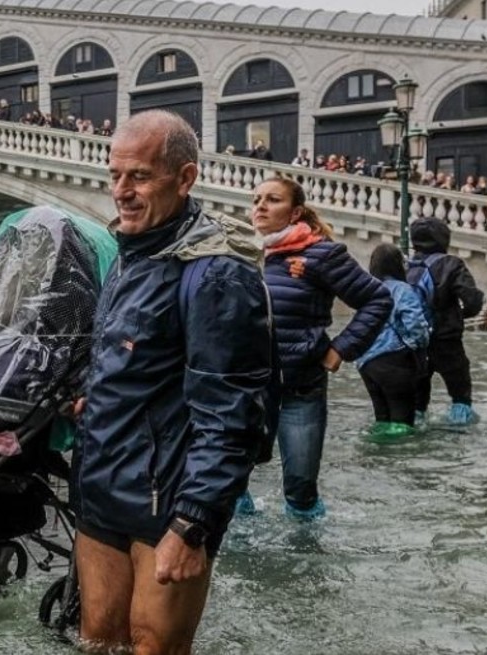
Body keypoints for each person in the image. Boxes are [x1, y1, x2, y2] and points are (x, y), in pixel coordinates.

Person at [75, 110, 273, 654]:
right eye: (115, 175)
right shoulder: (127, 256)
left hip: (167, 503)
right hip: (101, 487)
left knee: (152, 647)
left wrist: (194, 522)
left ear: (185, 178)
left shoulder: (217, 275)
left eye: (139, 176)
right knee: (97, 642)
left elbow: (232, 414)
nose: (122, 191)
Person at [251, 177, 391, 519]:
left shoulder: (322, 254)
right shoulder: (243, 252)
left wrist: (341, 349)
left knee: (299, 486)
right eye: (256, 199)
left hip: (301, 386)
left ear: (296, 211)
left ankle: (305, 557)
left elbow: (377, 299)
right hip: (247, 387)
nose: (260, 206)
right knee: (230, 479)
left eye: (272, 199)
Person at [407, 217, 485, 425]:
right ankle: (460, 428)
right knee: (460, 391)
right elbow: (473, 300)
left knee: (417, 398)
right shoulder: (451, 264)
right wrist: (460, 315)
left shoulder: (406, 266)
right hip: (446, 340)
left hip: (415, 343)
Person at [356, 244, 431, 439]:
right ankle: (397, 460)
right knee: (402, 421)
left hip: (366, 364)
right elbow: (415, 324)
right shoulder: (402, 289)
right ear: (397, 265)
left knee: (382, 418)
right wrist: (417, 344)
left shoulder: (365, 290)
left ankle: (379, 454)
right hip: (394, 362)